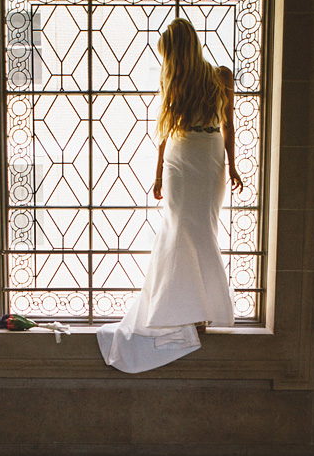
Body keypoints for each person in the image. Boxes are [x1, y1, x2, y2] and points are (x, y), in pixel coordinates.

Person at [97, 19, 241, 373]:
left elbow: (229, 124)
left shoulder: (221, 76)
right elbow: (164, 131)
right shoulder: (175, 80)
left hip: (208, 157)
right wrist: (159, 171)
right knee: (178, 231)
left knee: (203, 230)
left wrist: (233, 164)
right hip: (181, 157)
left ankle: (202, 310)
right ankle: (182, 311)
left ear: (182, 49)